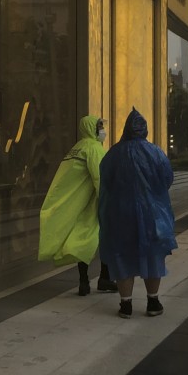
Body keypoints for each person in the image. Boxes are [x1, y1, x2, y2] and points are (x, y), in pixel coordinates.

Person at [98, 108, 177, 318]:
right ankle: (153, 301)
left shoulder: (114, 154)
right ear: (145, 130)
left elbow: (105, 181)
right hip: (152, 214)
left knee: (122, 255)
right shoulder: (156, 152)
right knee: (152, 255)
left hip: (120, 213)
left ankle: (126, 304)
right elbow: (168, 179)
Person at [38, 115, 117, 295]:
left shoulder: (77, 147)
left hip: (79, 202)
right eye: (99, 127)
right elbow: (100, 177)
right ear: (92, 129)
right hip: (92, 201)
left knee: (82, 238)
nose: (102, 130)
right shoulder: (93, 148)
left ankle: (84, 281)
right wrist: (109, 202)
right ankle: (105, 278)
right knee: (103, 237)